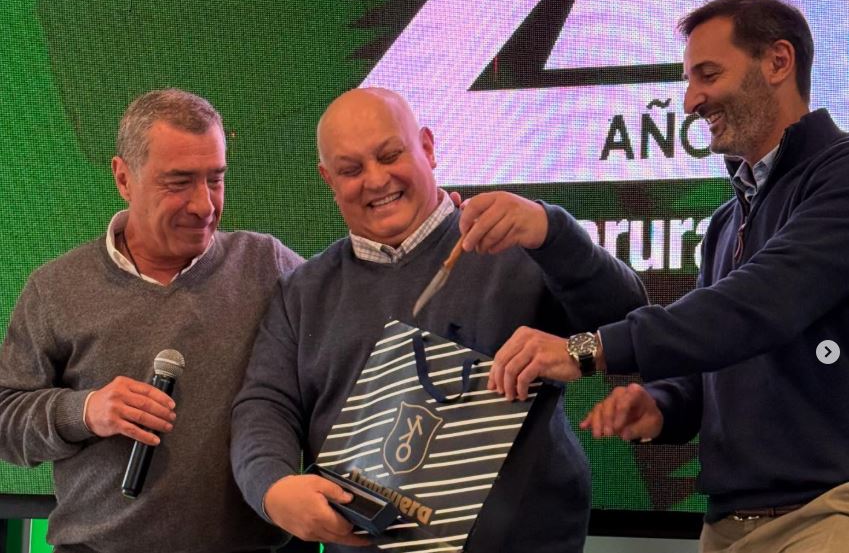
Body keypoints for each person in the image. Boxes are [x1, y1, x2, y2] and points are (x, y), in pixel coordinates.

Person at [488, 0, 849, 552]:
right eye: (689, 79)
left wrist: (585, 349)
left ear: (779, 62)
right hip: (726, 525)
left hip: (826, 516)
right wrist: (661, 405)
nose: (691, 100)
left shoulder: (840, 176)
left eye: (708, 74)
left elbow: (757, 305)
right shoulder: (726, 222)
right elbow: (712, 369)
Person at [229, 87, 647, 553]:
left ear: (427, 147)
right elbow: (265, 406)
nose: (376, 180)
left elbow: (630, 322)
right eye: (351, 169)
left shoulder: (518, 246)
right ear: (328, 179)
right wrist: (272, 488)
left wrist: (554, 233)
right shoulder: (302, 292)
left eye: (390, 155)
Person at [0, 89, 303, 553]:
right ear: (124, 177)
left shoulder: (266, 265)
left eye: (216, 179)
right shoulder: (55, 288)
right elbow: (5, 421)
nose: (204, 205)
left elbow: (359, 316)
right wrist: (85, 411)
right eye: (179, 182)